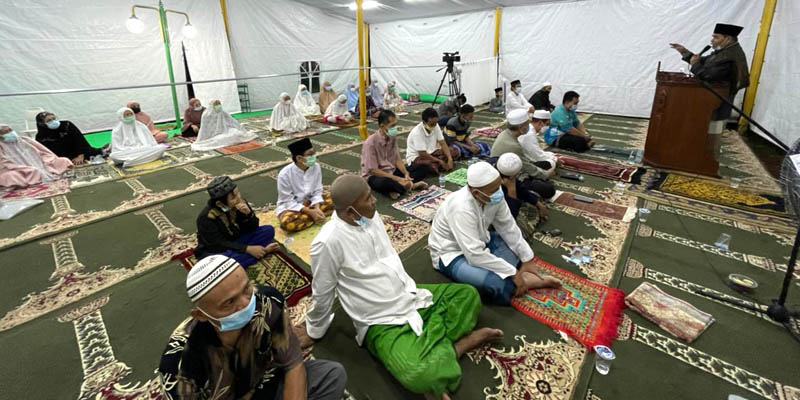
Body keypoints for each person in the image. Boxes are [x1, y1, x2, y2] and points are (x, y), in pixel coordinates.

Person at [302, 174, 503, 400]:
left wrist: (408, 291)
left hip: (409, 294)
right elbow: (323, 290)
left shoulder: (368, 216)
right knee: (419, 375)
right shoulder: (327, 242)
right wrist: (314, 329)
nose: (375, 201)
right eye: (368, 199)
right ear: (350, 211)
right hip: (380, 319)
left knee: (468, 295)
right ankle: (459, 346)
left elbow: (387, 259)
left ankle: (434, 349)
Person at [158, 254, 347, 400]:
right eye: (229, 302)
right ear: (201, 315)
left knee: (332, 375)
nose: (246, 304)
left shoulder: (267, 304)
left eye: (247, 289)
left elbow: (293, 363)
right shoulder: (179, 365)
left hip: (263, 385)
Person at [428, 162, 562, 305]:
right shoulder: (461, 208)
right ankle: (526, 281)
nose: (499, 191)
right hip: (452, 253)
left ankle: (515, 275)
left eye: (499, 186)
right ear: (476, 193)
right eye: (495, 189)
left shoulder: (493, 194)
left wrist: (527, 258)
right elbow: (474, 254)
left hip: (480, 241)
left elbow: (508, 227)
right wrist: (513, 272)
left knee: (515, 246)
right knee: (493, 282)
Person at [670, 23, 750, 161]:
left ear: (727, 39)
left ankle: (706, 160)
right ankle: (699, 155)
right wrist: (684, 51)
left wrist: (695, 65)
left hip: (717, 101)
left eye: (716, 37)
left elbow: (708, 75)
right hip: (710, 99)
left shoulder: (729, 56)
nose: (712, 40)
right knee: (706, 131)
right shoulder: (723, 52)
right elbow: (701, 61)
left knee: (712, 132)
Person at [195, 176, 280, 267]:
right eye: (233, 197)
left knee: (268, 230)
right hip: (216, 251)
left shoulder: (240, 203)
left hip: (237, 240)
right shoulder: (206, 218)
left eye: (238, 193)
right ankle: (264, 251)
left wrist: (249, 215)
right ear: (219, 204)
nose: (238, 198)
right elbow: (218, 244)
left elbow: (252, 228)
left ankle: (250, 255)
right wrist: (247, 249)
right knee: (221, 264)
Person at [490, 109, 556, 200]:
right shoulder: (512, 145)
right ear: (521, 127)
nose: (529, 125)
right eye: (527, 124)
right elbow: (526, 167)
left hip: (516, 167)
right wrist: (545, 174)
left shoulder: (506, 134)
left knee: (546, 164)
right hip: (510, 177)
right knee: (549, 189)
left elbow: (525, 162)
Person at [362, 110, 428, 199]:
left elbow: (397, 159)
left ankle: (400, 187)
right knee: (385, 183)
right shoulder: (370, 143)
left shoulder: (392, 137)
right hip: (376, 176)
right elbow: (373, 170)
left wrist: (406, 174)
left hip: (391, 171)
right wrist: (398, 179)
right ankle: (411, 186)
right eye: (392, 126)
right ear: (382, 126)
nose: (395, 128)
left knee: (423, 167)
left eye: (395, 125)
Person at [276, 138, 333, 232]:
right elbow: (287, 201)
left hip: (311, 202)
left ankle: (311, 217)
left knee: (338, 197)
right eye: (310, 154)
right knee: (287, 223)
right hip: (292, 207)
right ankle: (317, 216)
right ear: (299, 158)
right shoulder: (285, 174)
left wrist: (317, 208)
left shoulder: (316, 167)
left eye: (314, 153)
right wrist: (310, 212)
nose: (314, 156)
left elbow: (318, 190)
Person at [1, 124, 72, 188]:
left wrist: (46, 161)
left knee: (64, 161)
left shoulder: (25, 140)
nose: (10, 133)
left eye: (10, 130)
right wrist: (24, 168)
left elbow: (44, 152)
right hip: (18, 169)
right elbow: (4, 164)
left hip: (41, 163)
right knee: (12, 176)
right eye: (5, 132)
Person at [35, 111, 104, 165]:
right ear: (42, 124)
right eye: (49, 121)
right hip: (60, 158)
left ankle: (104, 149)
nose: (53, 121)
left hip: (78, 152)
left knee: (93, 153)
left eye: (54, 118)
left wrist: (81, 155)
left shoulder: (67, 125)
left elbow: (80, 140)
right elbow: (45, 154)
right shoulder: (40, 137)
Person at [496, 153, 549, 221]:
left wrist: (541, 206)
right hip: (497, 216)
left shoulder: (505, 175)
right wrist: (511, 189)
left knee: (535, 197)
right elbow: (511, 216)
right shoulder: (494, 185)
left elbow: (522, 191)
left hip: (508, 202)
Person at [405, 107, 456, 178]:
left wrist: (449, 158)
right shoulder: (417, 132)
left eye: (435, 123)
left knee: (453, 151)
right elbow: (422, 153)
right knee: (428, 166)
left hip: (432, 153)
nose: (434, 126)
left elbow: (442, 143)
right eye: (431, 124)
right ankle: (440, 166)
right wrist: (439, 161)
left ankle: (442, 165)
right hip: (418, 157)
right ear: (424, 121)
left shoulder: (435, 125)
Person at [191, 100, 258, 152]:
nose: (218, 106)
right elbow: (205, 129)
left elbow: (232, 121)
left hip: (226, 130)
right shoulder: (207, 115)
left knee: (236, 133)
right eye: (216, 105)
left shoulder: (222, 112)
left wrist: (238, 128)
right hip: (214, 134)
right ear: (212, 106)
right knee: (220, 139)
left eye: (219, 104)